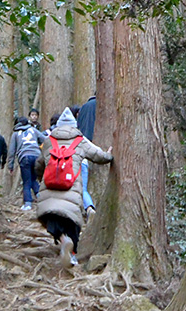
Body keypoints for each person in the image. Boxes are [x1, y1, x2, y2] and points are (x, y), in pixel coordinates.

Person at [35, 106, 112, 268]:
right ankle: (73, 254)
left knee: (52, 219)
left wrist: (40, 177)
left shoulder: (49, 141)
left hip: (49, 189)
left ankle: (63, 239)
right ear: (74, 125)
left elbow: (39, 163)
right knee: (72, 222)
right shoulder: (80, 141)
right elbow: (98, 156)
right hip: (71, 190)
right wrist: (109, 155)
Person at [7, 116, 46, 210]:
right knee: (33, 179)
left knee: (27, 181)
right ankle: (41, 198)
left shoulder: (16, 134)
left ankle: (28, 203)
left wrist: (10, 165)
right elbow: (45, 139)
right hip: (37, 156)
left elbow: (12, 151)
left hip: (24, 158)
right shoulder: (33, 130)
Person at [76, 95, 97, 218]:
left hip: (82, 146)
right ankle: (89, 207)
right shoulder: (100, 105)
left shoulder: (83, 107)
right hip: (93, 143)